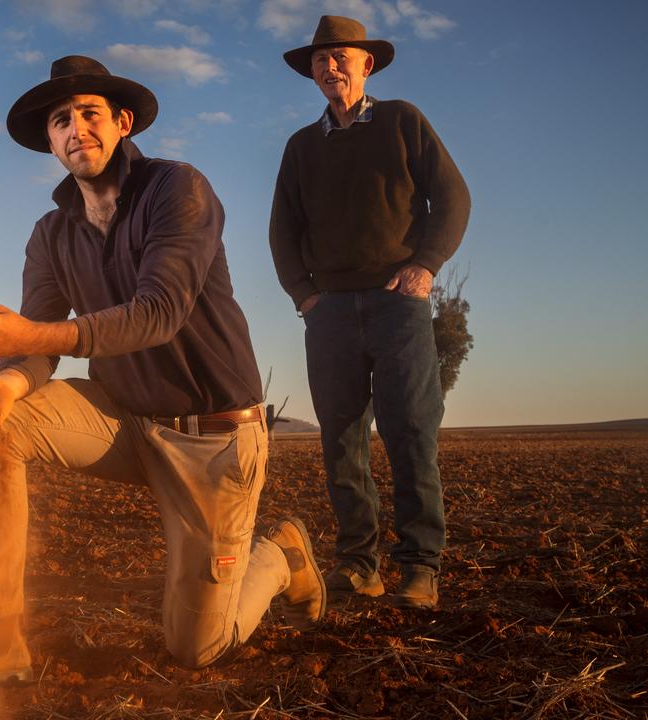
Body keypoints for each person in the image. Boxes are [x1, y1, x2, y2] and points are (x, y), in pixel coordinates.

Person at [0, 56, 326, 686]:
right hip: (125, 420)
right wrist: (7, 381)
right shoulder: (50, 234)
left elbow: (158, 312)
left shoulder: (178, 190)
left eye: (90, 114)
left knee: (198, 649)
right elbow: (36, 348)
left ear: (123, 122)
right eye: (61, 120)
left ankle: (279, 555)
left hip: (212, 439)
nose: (77, 129)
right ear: (49, 141)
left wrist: (26, 333)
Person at [269, 16, 471, 609]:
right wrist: (303, 294)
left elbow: (453, 197)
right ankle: (358, 565)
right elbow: (283, 229)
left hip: (398, 304)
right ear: (312, 72)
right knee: (341, 440)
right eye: (320, 60)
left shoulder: (402, 120)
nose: (331, 67)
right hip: (328, 311)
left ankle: (418, 567)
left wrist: (427, 264)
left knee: (410, 430)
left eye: (341, 57)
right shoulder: (300, 147)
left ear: (367, 64)